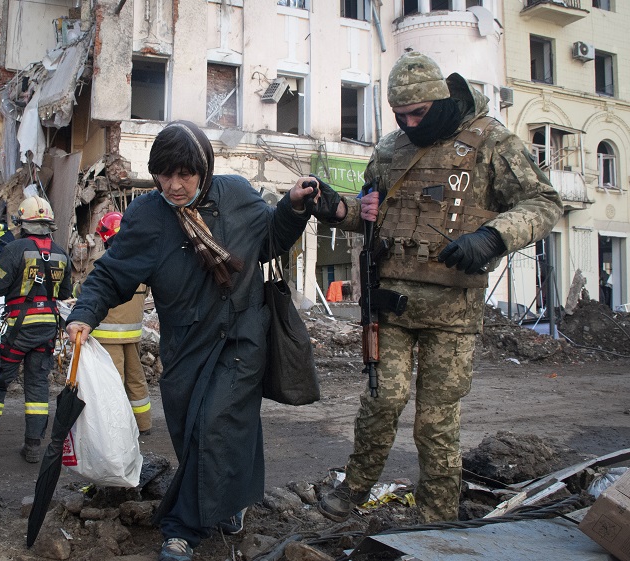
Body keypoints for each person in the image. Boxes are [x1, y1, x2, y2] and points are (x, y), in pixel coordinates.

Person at [309, 51, 563, 523]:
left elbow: (545, 203)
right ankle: (354, 490)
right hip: (392, 303)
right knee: (380, 402)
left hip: (453, 310)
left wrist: (491, 237)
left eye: (417, 114)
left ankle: (437, 514)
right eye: (399, 115)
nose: (408, 124)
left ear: (440, 99)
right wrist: (332, 207)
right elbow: (372, 214)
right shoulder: (389, 150)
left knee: (436, 420)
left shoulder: (491, 142)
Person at [65, 120, 316, 561]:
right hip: (184, 345)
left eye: (185, 175)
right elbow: (111, 273)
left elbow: (270, 240)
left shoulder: (237, 193)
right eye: (164, 174)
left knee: (216, 423)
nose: (174, 186)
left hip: (241, 336)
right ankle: (229, 500)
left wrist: (293, 207)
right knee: (192, 431)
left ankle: (182, 528)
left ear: (205, 169)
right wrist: (84, 314)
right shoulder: (147, 216)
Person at [0, 196, 72, 466]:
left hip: (19, 328)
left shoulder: (15, 248)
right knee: (37, 387)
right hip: (47, 329)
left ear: (22, 222)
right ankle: (33, 448)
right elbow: (64, 293)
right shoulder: (60, 252)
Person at [90, 211, 152, 434]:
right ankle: (143, 423)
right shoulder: (142, 263)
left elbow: (88, 294)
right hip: (133, 334)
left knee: (113, 384)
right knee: (136, 379)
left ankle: (115, 430)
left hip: (108, 336)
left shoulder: (102, 263)